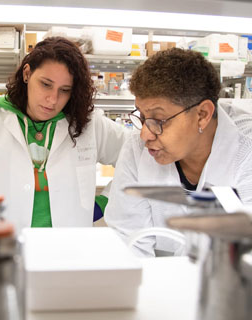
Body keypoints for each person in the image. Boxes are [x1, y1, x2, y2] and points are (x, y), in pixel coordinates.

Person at [0, 37, 127, 231]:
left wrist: (106, 201)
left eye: (64, 90)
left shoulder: (88, 123)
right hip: (8, 246)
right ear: (27, 74)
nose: (52, 99)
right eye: (46, 84)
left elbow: (135, 156)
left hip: (70, 248)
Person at [105, 48, 252, 257]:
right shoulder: (137, 149)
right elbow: (128, 239)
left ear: (202, 115)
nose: (145, 134)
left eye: (158, 120)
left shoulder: (246, 151)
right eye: (143, 117)